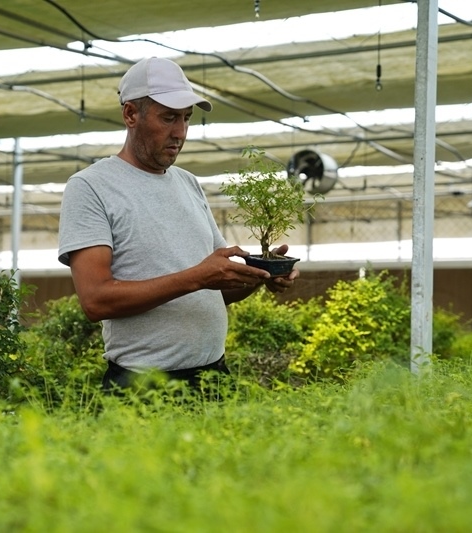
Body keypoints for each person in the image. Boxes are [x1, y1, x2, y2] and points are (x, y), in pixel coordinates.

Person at [58, 57, 299, 391]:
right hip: (145, 386)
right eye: (168, 117)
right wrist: (197, 277)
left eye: (186, 118)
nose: (180, 132)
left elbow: (213, 289)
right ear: (130, 114)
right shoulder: (91, 187)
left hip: (214, 377)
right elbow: (96, 300)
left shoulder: (188, 183)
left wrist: (259, 276)